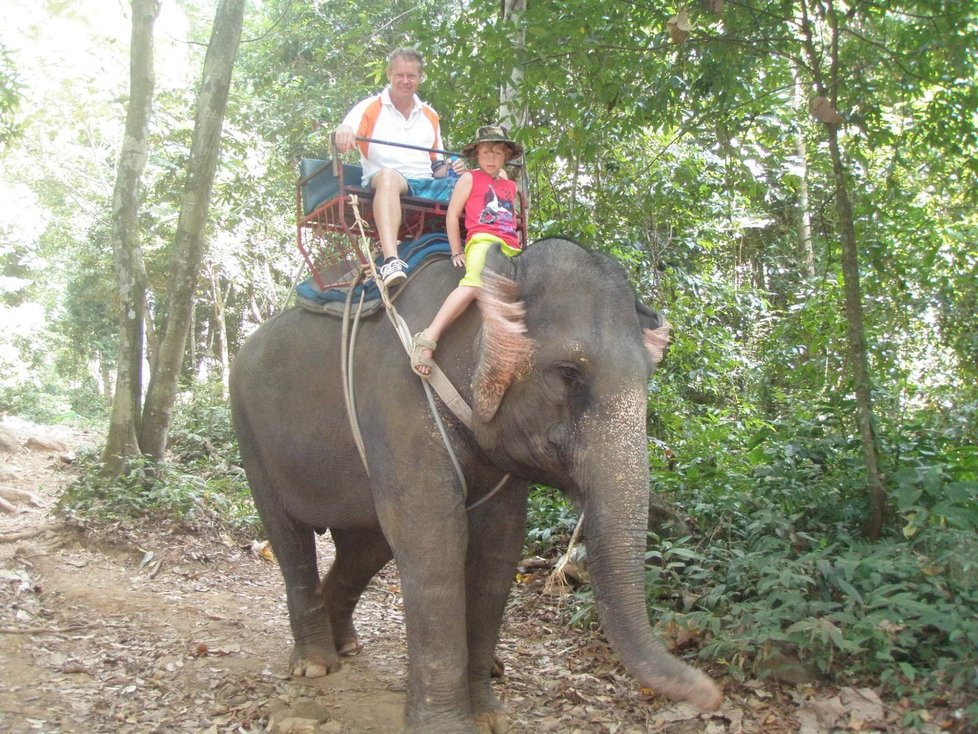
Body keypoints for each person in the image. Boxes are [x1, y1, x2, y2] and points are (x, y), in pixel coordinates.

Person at [333, 47, 463, 287]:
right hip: (386, 180)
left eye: (411, 76)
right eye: (400, 75)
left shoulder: (430, 115)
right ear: (389, 75)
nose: (405, 81)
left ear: (419, 78)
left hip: (425, 183)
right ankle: (392, 260)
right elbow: (346, 132)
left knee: (474, 179)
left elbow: (437, 167)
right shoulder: (370, 107)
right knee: (389, 177)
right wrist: (344, 132)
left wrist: (454, 167)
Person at [411, 125, 523, 378]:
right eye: (485, 152)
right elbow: (452, 215)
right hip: (483, 239)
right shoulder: (470, 178)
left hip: (511, 245)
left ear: (505, 154)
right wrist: (456, 251)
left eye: (497, 152)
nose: (491, 158)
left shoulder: (510, 185)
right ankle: (429, 336)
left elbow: (511, 219)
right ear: (477, 155)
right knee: (475, 282)